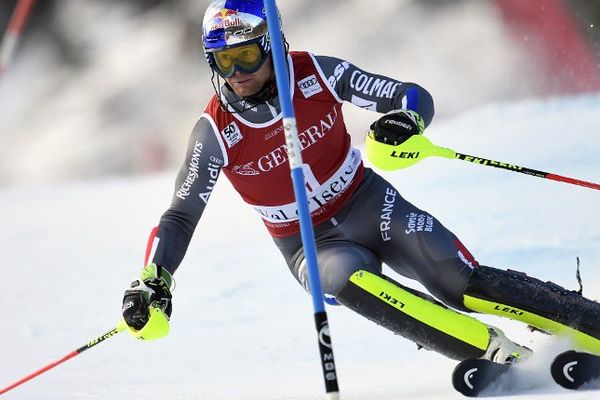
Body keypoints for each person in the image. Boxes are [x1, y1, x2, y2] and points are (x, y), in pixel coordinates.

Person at [121, 0, 600, 363]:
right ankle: (497, 354)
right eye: (223, 62)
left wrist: (407, 121)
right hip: (310, 243)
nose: (237, 74)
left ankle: (589, 324)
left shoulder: (315, 74)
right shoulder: (215, 131)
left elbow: (409, 95)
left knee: (458, 283)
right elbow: (181, 215)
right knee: (346, 281)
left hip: (369, 204)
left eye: (246, 55)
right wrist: (155, 279)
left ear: (270, 44)